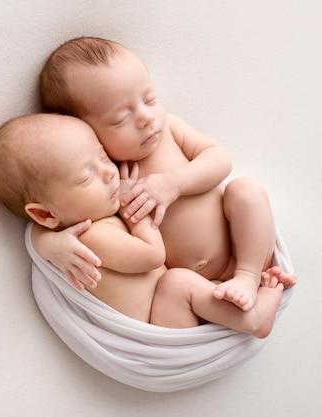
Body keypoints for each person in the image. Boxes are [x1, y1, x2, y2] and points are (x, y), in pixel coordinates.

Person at [36, 36, 296, 312]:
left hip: (240, 248)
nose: (146, 117)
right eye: (121, 119)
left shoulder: (169, 130)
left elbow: (219, 160)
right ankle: (249, 297)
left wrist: (174, 183)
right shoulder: (106, 176)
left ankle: (250, 276)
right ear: (86, 132)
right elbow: (58, 220)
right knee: (172, 283)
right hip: (194, 287)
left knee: (247, 190)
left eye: (149, 99)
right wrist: (50, 245)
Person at [0, 112, 287, 337]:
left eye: (104, 157)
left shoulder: (91, 218)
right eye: (86, 177)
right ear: (46, 214)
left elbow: (38, 234)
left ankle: (243, 283)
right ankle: (253, 321)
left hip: (190, 300)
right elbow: (153, 255)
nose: (109, 173)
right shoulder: (92, 236)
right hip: (167, 323)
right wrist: (134, 215)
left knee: (245, 194)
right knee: (176, 282)